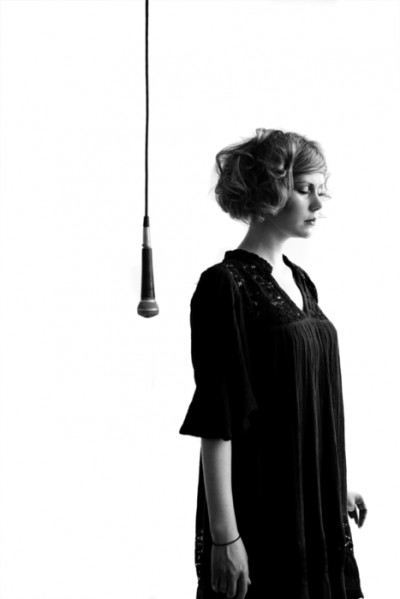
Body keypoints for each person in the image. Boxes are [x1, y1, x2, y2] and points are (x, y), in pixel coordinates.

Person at [179, 128, 367, 599]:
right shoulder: (225, 286)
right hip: (263, 505)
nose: (318, 204)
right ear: (269, 192)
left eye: (320, 190)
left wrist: (333, 484)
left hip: (311, 504)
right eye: (305, 190)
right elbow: (218, 420)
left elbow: (303, 397)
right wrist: (225, 536)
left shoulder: (300, 281)